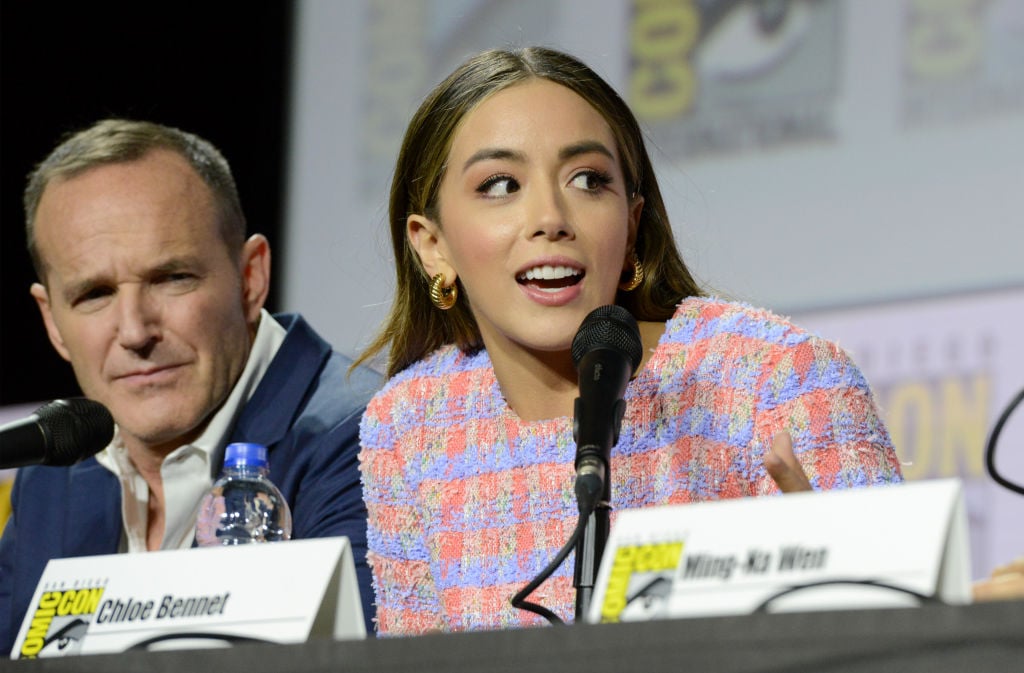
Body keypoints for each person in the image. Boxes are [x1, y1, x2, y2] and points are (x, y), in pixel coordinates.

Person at [356, 46, 904, 636]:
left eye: (588, 180)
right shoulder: (411, 426)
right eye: (499, 184)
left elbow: (912, 634)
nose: (550, 217)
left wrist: (852, 593)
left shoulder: (779, 379)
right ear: (432, 245)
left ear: (632, 224)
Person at [0, 119, 381, 651]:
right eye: (94, 294)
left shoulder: (369, 440)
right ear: (52, 321)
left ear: (251, 278)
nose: (134, 332)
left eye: (171, 278)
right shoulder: (50, 483)